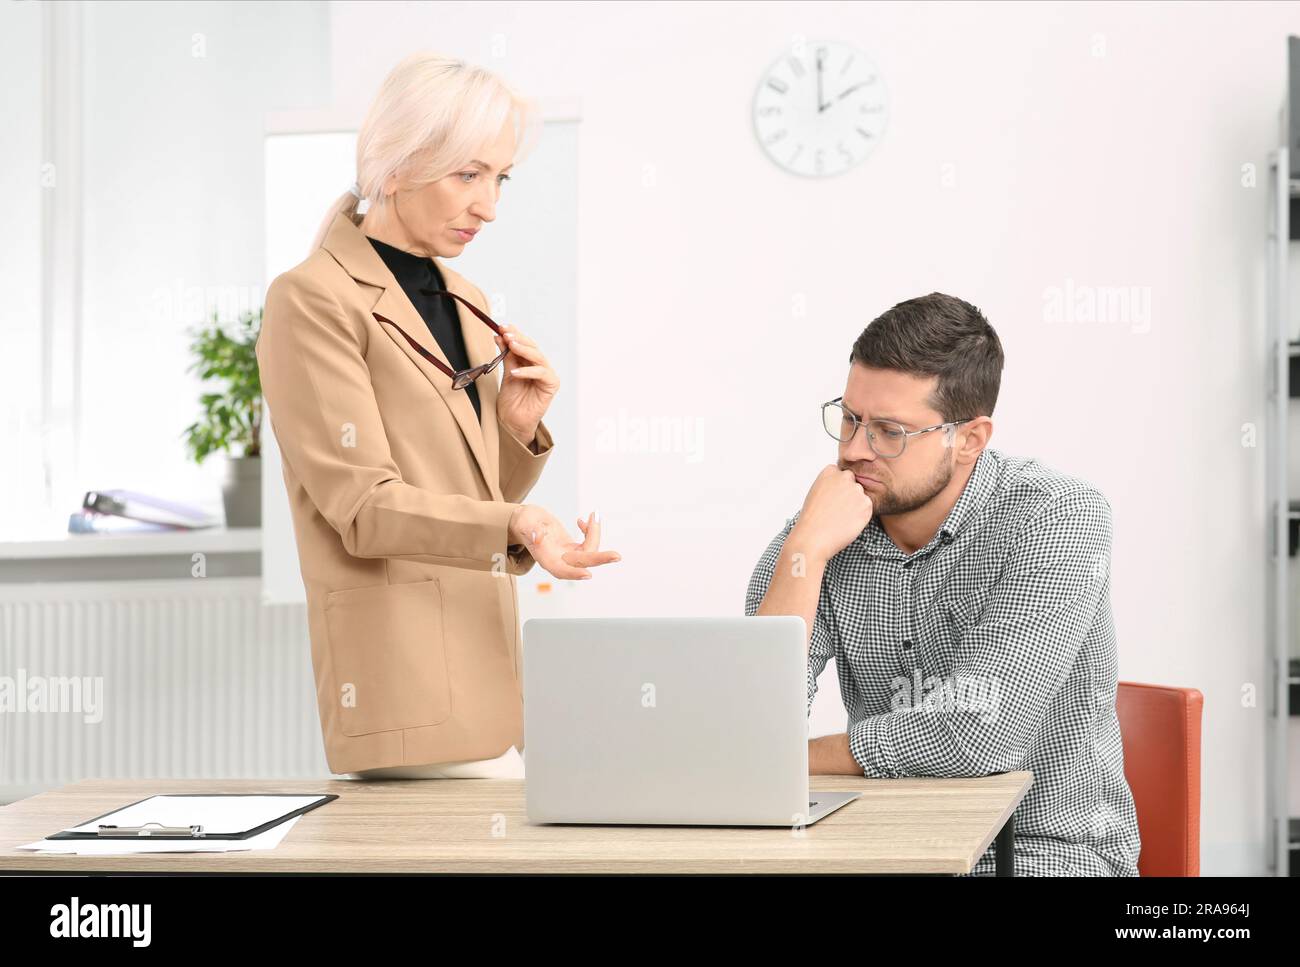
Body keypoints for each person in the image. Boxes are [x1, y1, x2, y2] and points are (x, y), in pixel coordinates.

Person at [256, 51, 619, 781]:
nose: (489, 205)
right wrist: (515, 525)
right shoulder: (311, 299)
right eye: (468, 174)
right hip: (403, 682)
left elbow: (468, 496)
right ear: (397, 164)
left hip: (494, 684)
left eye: (500, 178)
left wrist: (514, 431)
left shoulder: (464, 294)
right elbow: (361, 509)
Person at [744, 292, 1140, 875]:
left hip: (1042, 852)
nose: (854, 451)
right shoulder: (821, 530)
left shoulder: (1057, 516)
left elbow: (978, 731)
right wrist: (804, 551)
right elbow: (747, 730)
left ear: (970, 439)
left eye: (890, 431)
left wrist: (795, 761)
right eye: (850, 418)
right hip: (884, 846)